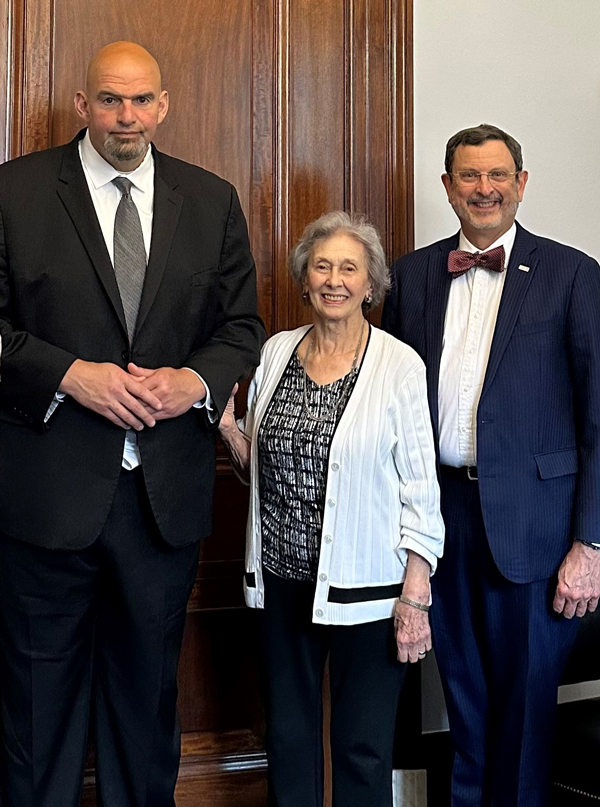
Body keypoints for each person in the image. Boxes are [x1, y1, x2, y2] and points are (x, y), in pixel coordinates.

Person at [0, 41, 265, 807]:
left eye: (142, 100)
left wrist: (193, 381)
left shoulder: (210, 199)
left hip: (164, 501)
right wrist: (69, 376)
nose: (127, 116)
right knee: (35, 714)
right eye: (111, 100)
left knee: (146, 707)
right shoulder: (14, 192)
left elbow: (240, 327)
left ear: (164, 104)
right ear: (82, 105)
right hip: (43, 502)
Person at [382, 123, 600, 807]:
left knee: (526, 707)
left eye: (498, 175)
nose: (485, 188)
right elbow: (389, 401)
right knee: (464, 697)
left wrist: (590, 543)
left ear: (521, 184)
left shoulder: (572, 273)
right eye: (470, 176)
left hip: (536, 526)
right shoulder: (413, 274)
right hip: (440, 518)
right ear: (447, 186)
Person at [218, 211, 444, 807]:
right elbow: (263, 472)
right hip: (281, 583)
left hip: (368, 590)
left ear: (371, 285)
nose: (335, 279)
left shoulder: (400, 365)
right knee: (288, 741)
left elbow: (422, 491)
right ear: (305, 277)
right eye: (323, 266)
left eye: (350, 268)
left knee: (362, 748)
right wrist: (231, 434)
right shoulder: (275, 351)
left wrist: (415, 596)